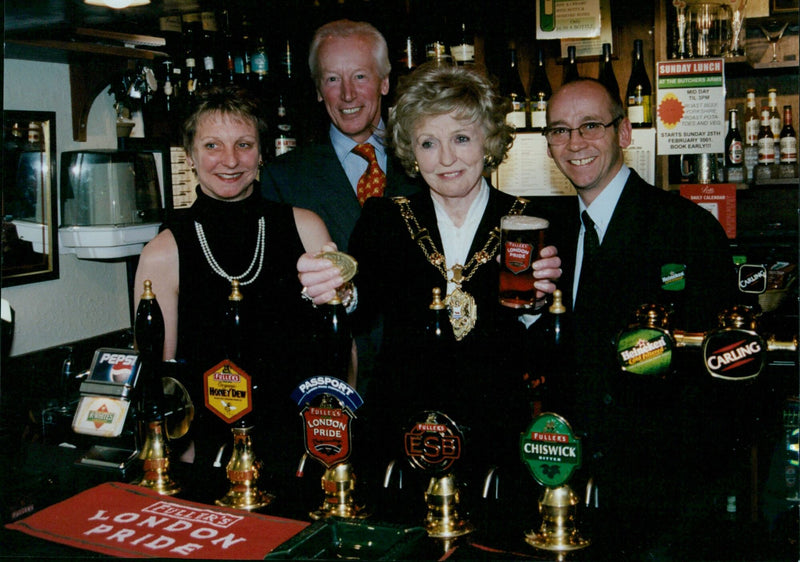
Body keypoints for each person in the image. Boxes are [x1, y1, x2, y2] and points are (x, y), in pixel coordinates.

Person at [299, 63, 562, 492]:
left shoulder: (529, 222)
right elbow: (360, 308)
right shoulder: (385, 218)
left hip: (494, 433)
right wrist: (337, 288)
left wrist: (539, 306)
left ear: (488, 140)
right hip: (402, 432)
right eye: (428, 143)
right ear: (411, 151)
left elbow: (550, 350)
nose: (445, 159)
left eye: (461, 138)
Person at [542, 78, 739, 557]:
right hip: (574, 478)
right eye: (560, 131)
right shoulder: (553, 233)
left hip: (660, 494)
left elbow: (721, 370)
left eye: (591, 126)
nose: (575, 144)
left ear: (624, 132)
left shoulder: (686, 227)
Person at [133, 86, 335, 472]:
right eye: (212, 145)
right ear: (190, 156)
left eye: (244, 144)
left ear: (262, 152)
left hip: (304, 447)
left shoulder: (306, 229)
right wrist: (187, 465)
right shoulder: (162, 252)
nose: (230, 160)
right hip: (211, 455)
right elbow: (162, 381)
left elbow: (338, 346)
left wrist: (336, 432)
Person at [260, 19, 422, 252]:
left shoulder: (426, 162)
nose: (348, 94)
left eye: (360, 76)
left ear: (384, 83)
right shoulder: (283, 178)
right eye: (333, 79)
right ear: (318, 90)